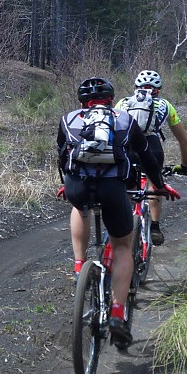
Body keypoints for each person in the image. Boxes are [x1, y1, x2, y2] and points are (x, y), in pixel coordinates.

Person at [57, 76, 179, 349]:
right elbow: (147, 157)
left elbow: (62, 154)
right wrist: (160, 185)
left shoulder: (69, 119)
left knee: (80, 206)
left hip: (78, 185)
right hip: (113, 189)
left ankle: (79, 266)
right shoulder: (124, 120)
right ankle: (117, 314)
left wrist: (66, 185)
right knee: (123, 247)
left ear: (81, 103)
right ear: (112, 100)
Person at [115, 69, 187, 246]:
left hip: (127, 148)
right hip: (152, 148)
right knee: (154, 183)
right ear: (159, 89)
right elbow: (184, 140)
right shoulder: (165, 105)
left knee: (128, 186)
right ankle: (155, 227)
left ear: (135, 87)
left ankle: (125, 222)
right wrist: (184, 165)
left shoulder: (123, 103)